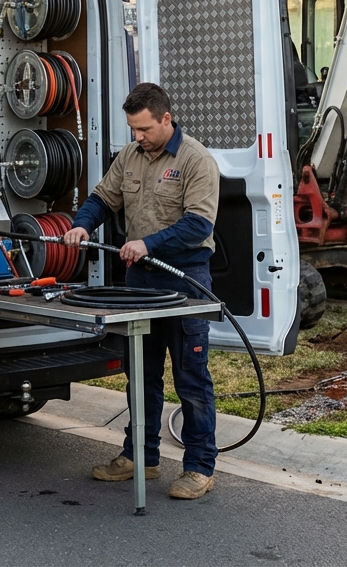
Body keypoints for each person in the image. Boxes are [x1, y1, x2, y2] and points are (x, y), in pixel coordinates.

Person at [63, 82, 220, 501]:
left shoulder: (196, 160)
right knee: (141, 374)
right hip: (140, 283)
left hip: (185, 281)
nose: (138, 137)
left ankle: (200, 468)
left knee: (191, 378)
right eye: (133, 129)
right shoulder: (130, 157)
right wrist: (82, 223)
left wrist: (149, 243)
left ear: (166, 118)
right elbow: (102, 198)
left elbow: (199, 225)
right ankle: (141, 457)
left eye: (145, 129)